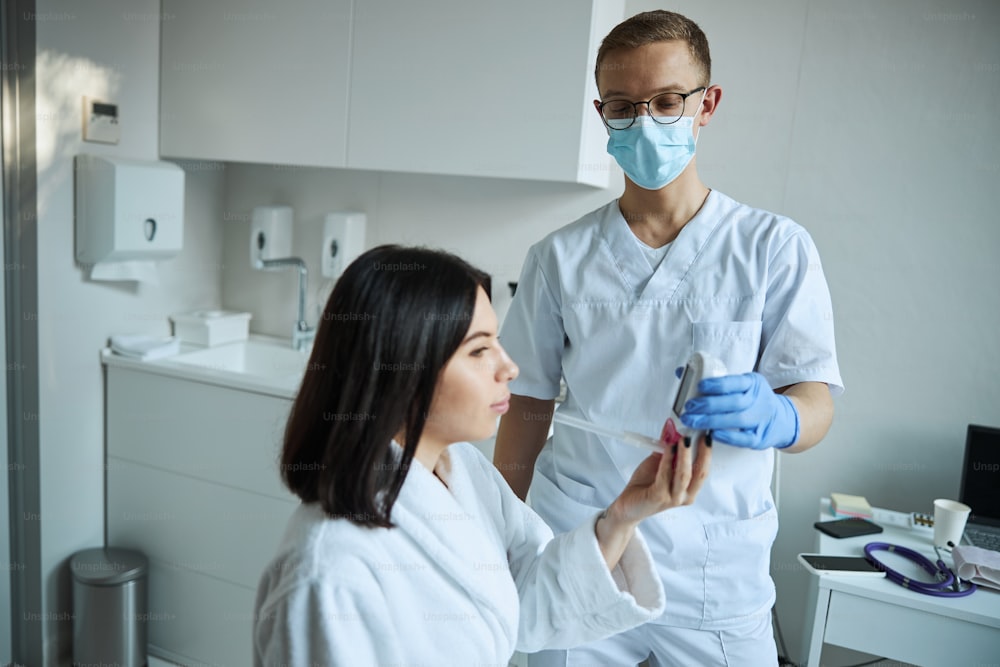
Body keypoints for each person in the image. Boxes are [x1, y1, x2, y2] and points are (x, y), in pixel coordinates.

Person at [494, 10, 844, 667]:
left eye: (665, 101)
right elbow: (525, 404)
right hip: (583, 539)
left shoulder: (774, 249)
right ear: (603, 115)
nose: (644, 120)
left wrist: (783, 414)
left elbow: (817, 403)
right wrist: (503, 528)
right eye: (624, 106)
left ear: (706, 103)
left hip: (714, 560)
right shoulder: (558, 258)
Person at [252, 245, 713, 665]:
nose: (509, 367)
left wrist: (621, 518)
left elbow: (520, 608)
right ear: (403, 372)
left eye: (498, 342)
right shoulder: (326, 574)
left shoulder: (464, 472)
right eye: (479, 351)